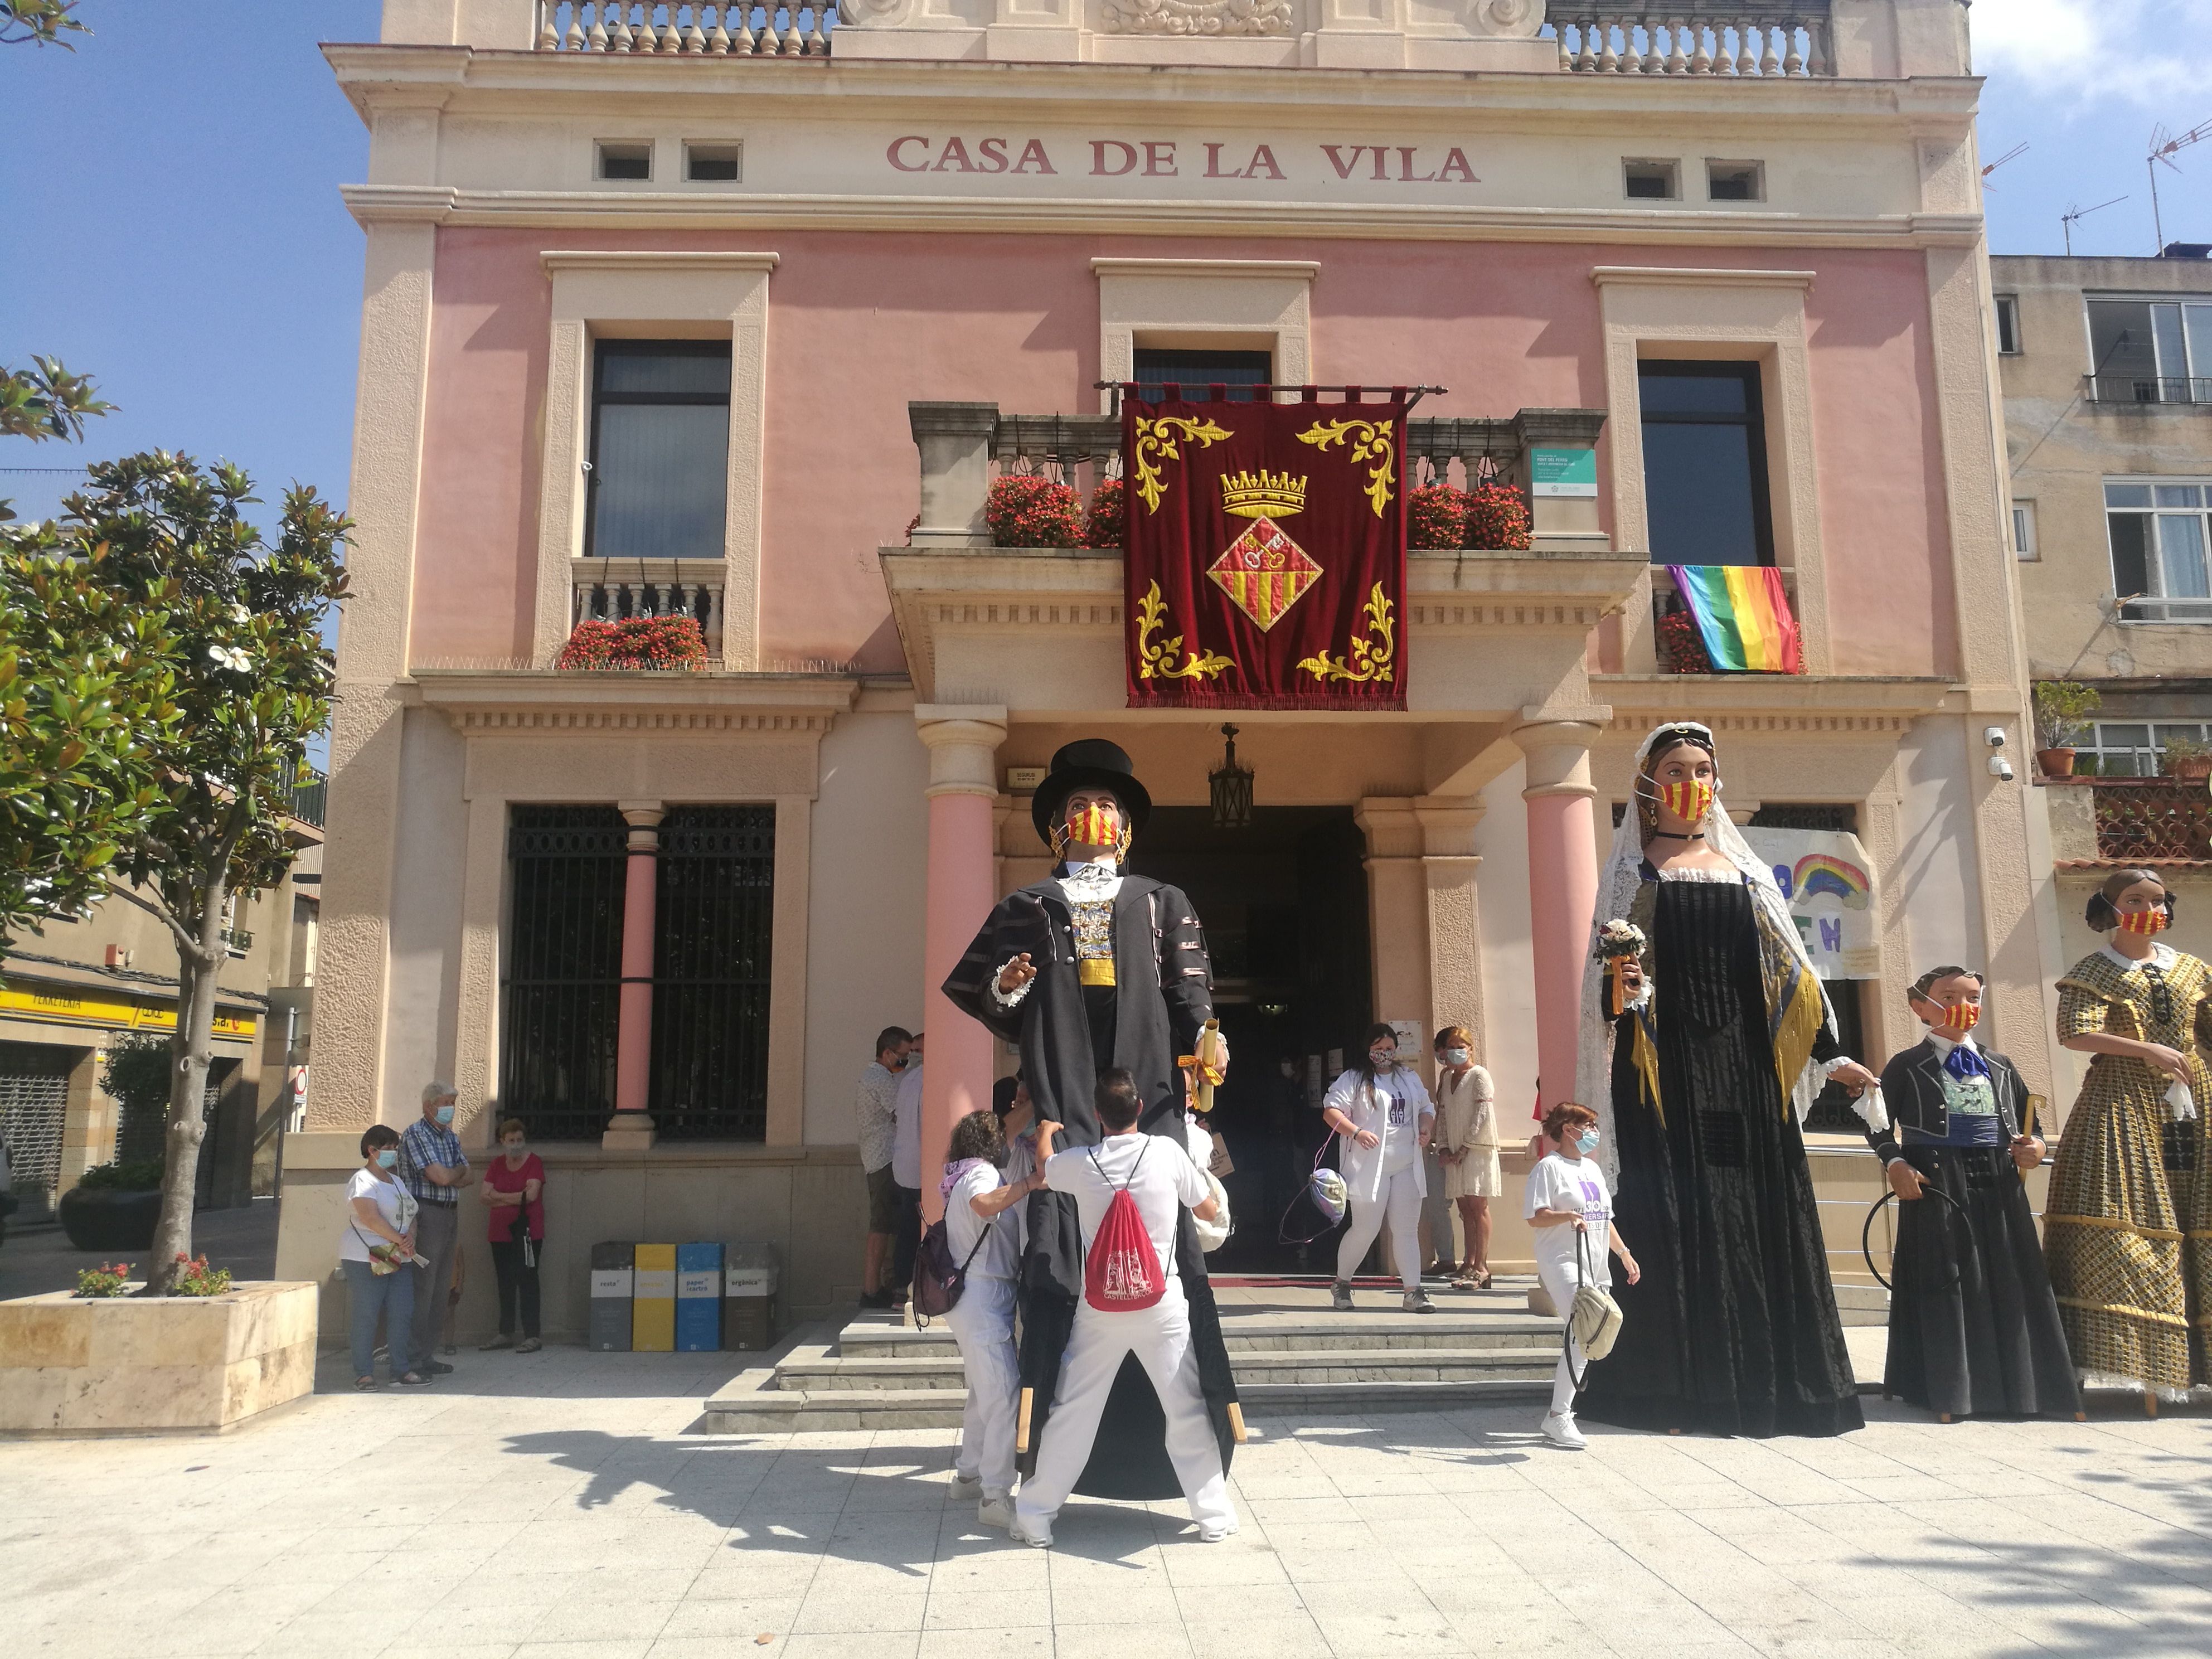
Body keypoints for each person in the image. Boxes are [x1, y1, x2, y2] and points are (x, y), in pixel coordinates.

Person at [942, 738, 1241, 1515]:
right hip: (1065, 1102)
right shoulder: (1027, 906)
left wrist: (1208, 1036)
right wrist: (1010, 988)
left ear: (1128, 827)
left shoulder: (1160, 899)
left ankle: (1192, 1473)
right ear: (1055, 830)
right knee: (1061, 1261)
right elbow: (995, 1005)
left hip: (1149, 1098)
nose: (1094, 817)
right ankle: (1037, 1470)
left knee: (1165, 1257)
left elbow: (1192, 993)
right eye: (1079, 807)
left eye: (1107, 806)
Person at [1574, 721, 1880, 1438]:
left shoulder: (1748, 875)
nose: (1691, 781)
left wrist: (1830, 1056)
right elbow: (1603, 995)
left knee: (1754, 1212)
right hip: (1661, 1071)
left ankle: (1777, 1388)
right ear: (1648, 786)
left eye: (1702, 769)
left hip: (1745, 1070)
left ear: (1717, 783)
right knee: (1673, 1211)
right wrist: (1620, 989)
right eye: (1675, 768)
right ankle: (1672, 1392)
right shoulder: (1630, 876)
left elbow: (1789, 976)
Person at [1012, 1071, 1234, 1547]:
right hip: (1162, 1304)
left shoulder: (1082, 1162)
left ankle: (1035, 1516)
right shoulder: (1167, 1154)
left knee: (1074, 1410)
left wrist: (1048, 1133)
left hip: (1101, 1308)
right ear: (1138, 1110)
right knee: (1186, 1408)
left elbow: (1045, 1169)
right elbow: (1208, 1212)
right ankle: (1213, 1516)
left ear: (1097, 1116)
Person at [1869, 968, 2079, 1422]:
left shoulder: (2001, 1064)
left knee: (2012, 1273)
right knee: (1949, 1274)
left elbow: (2031, 1126)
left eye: (1972, 996)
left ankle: (2025, 1389)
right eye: (1948, 996)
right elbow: (1875, 1121)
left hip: (1999, 1179)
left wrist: (2036, 1149)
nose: (1963, 1005)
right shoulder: (1907, 1065)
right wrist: (1896, 1162)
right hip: (1938, 1180)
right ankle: (1952, 1391)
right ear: (1921, 1006)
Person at [2044, 869, 2212, 1409]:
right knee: (2125, 1214)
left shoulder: (2191, 969)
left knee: (2198, 1214)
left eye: (2157, 900)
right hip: (2120, 1105)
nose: (2148, 907)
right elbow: (2072, 1032)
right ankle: (2140, 1365)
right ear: (2110, 906)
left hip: (2196, 1104)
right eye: (2134, 898)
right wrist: (2146, 1050)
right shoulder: (2092, 970)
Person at [942, 1107, 1037, 1530]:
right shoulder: (981, 1175)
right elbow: (985, 1205)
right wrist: (1031, 1182)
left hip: (975, 1296)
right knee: (1004, 1398)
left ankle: (968, 1473)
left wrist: (1030, 1105)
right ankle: (995, 1496)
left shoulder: (959, 1173)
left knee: (984, 1393)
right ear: (989, 1145)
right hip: (984, 1295)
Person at [1526, 1102, 1640, 1449]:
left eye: (1593, 1125)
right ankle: (1559, 1416)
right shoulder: (1549, 1168)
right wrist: (1566, 1217)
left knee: (1587, 1336)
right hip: (1562, 1259)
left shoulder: (1591, 1168)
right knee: (1583, 1329)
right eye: (1585, 1125)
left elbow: (1603, 1218)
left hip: (1594, 1261)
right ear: (1566, 1129)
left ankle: (1559, 1415)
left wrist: (1624, 1254)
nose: (1592, 1132)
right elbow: (1535, 1216)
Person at [1323, 1023, 1437, 1312]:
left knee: (1406, 1230)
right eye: (1378, 1050)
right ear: (1368, 1050)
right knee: (1366, 1229)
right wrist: (1356, 1132)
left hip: (1406, 1164)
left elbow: (1427, 1108)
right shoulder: (1354, 1079)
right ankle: (1342, 1283)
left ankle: (1413, 1291)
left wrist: (1425, 1128)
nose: (1384, 1054)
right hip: (1370, 1166)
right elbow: (1331, 1111)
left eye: (1389, 1049)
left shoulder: (1407, 1077)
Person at [337, 1124, 428, 1389]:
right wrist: (399, 1239)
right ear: (372, 1151)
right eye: (387, 1148)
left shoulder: (396, 1181)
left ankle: (401, 1369)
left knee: (402, 1312)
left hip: (399, 1255)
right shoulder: (362, 1180)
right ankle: (364, 1373)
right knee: (368, 1313)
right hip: (367, 1256)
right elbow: (370, 1217)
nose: (393, 1153)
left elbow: (411, 1212)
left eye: (394, 1148)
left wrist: (410, 1236)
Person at [399, 1081, 476, 1377]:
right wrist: (455, 1173)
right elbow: (442, 1176)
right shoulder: (417, 1134)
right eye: (446, 1103)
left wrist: (453, 1174)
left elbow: (470, 1177)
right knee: (423, 1289)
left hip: (450, 1213)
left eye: (452, 1103)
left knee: (441, 1289)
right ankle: (413, 1359)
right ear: (429, 1106)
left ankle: (427, 1354)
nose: (451, 1109)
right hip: (426, 1214)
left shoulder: (451, 1138)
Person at [1432, 1026, 1501, 1290]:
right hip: (1455, 1153)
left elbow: (1482, 1116)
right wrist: (1445, 1148)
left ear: (1471, 1048)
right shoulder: (1447, 1078)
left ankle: (1482, 1267)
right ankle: (1469, 1262)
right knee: (1464, 1209)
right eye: (1452, 1047)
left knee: (1478, 1206)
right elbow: (1445, 1115)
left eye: (1462, 1046)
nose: (1457, 1051)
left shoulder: (1480, 1075)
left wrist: (1465, 1149)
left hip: (1477, 1151)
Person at [479, 1117, 546, 1354]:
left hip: (528, 1232)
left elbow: (531, 1196)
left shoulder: (534, 1163)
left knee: (527, 1280)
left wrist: (499, 1196)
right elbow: (483, 1196)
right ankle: (505, 1332)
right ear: (502, 1141)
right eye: (511, 1140)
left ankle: (532, 1335)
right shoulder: (497, 1164)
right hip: (499, 1234)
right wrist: (516, 1196)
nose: (516, 1144)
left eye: (520, 1140)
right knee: (504, 1282)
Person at [857, 1026, 913, 1309]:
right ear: (887, 1053)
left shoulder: (881, 1076)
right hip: (883, 1160)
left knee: (891, 1224)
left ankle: (882, 1285)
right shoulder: (878, 1077)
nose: (906, 1063)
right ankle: (871, 1290)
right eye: (903, 1056)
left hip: (885, 1158)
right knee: (881, 1224)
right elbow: (902, 1110)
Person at [890, 1031, 925, 1300]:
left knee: (907, 1232)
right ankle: (920, 1290)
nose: (913, 1057)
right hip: (921, 1169)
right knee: (923, 1233)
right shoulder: (929, 1079)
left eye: (917, 1052)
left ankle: (902, 1287)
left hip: (904, 1168)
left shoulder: (905, 1080)